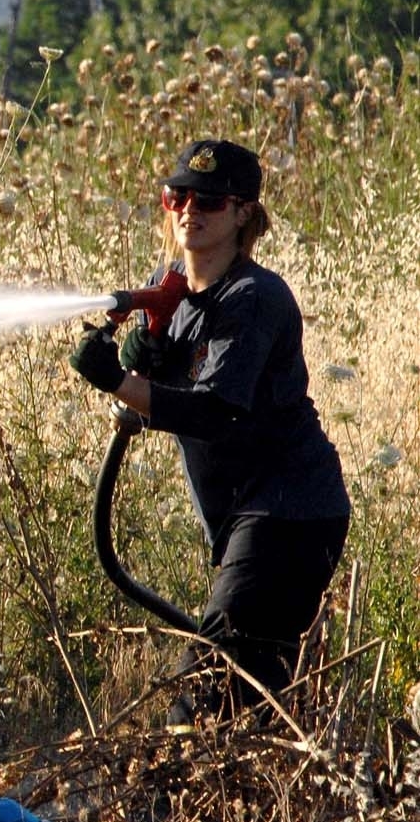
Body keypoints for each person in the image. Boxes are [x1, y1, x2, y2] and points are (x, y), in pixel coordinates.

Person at [69, 138, 351, 717]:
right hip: (245, 518)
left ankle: (169, 804)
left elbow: (217, 411)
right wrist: (138, 364)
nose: (189, 211)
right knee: (250, 691)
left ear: (244, 211)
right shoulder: (170, 283)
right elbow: (162, 394)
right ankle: (272, 802)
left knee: (206, 689)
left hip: (290, 513)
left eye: (211, 201)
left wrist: (120, 383)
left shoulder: (254, 298)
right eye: (178, 196)